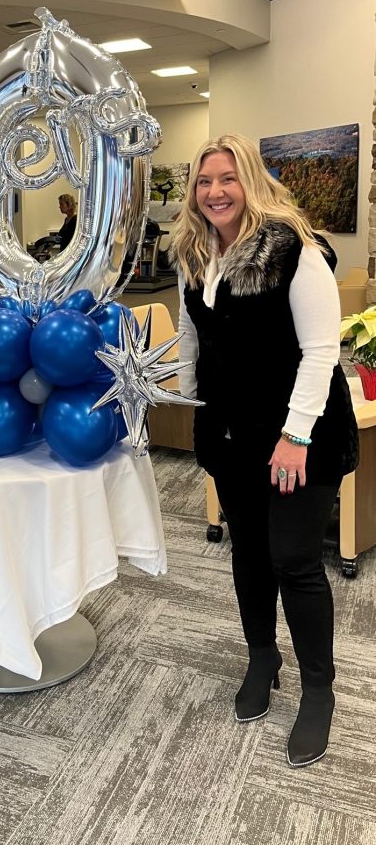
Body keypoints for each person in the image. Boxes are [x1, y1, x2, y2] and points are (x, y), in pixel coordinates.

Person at [171, 134, 358, 768]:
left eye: (227, 178)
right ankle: (262, 657)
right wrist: (190, 406)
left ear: (250, 181)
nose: (215, 191)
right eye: (203, 181)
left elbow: (321, 353)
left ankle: (319, 691)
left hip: (299, 436)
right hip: (230, 433)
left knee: (294, 560)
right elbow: (193, 340)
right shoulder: (194, 255)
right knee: (249, 553)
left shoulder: (294, 251)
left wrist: (295, 436)